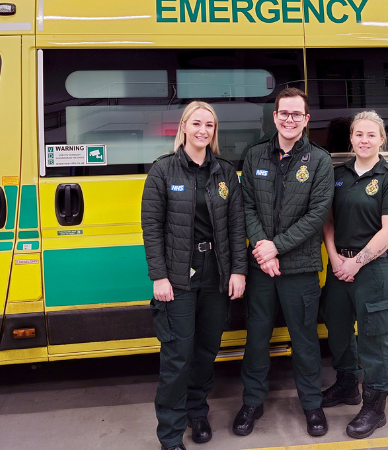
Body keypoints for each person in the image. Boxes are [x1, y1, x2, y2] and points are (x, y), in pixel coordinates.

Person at [141, 101, 247, 450]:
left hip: (215, 274)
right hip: (176, 277)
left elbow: (235, 227)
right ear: (183, 126)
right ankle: (170, 436)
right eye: (197, 123)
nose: (203, 130)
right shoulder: (163, 171)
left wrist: (237, 271)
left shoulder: (225, 173)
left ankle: (197, 412)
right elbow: (152, 228)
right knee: (177, 356)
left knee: (205, 351)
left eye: (210, 125)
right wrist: (159, 276)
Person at [233, 88, 334, 437]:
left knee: (304, 340)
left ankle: (312, 405)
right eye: (284, 113)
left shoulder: (319, 160)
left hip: (301, 268)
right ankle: (252, 402)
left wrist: (274, 248)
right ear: (274, 117)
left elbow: (316, 214)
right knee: (256, 338)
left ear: (307, 120)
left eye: (297, 114)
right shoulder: (255, 155)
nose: (289, 119)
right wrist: (262, 247)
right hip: (262, 268)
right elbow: (246, 205)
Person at [320, 111, 388, 439]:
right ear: (351, 138)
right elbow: (327, 221)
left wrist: (355, 263)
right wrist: (335, 259)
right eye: (358, 134)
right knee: (338, 330)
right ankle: (346, 386)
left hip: (372, 269)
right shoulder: (337, 174)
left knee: (373, 339)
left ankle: (374, 406)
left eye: (371, 135)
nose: (364, 140)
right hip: (339, 266)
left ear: (381, 139)